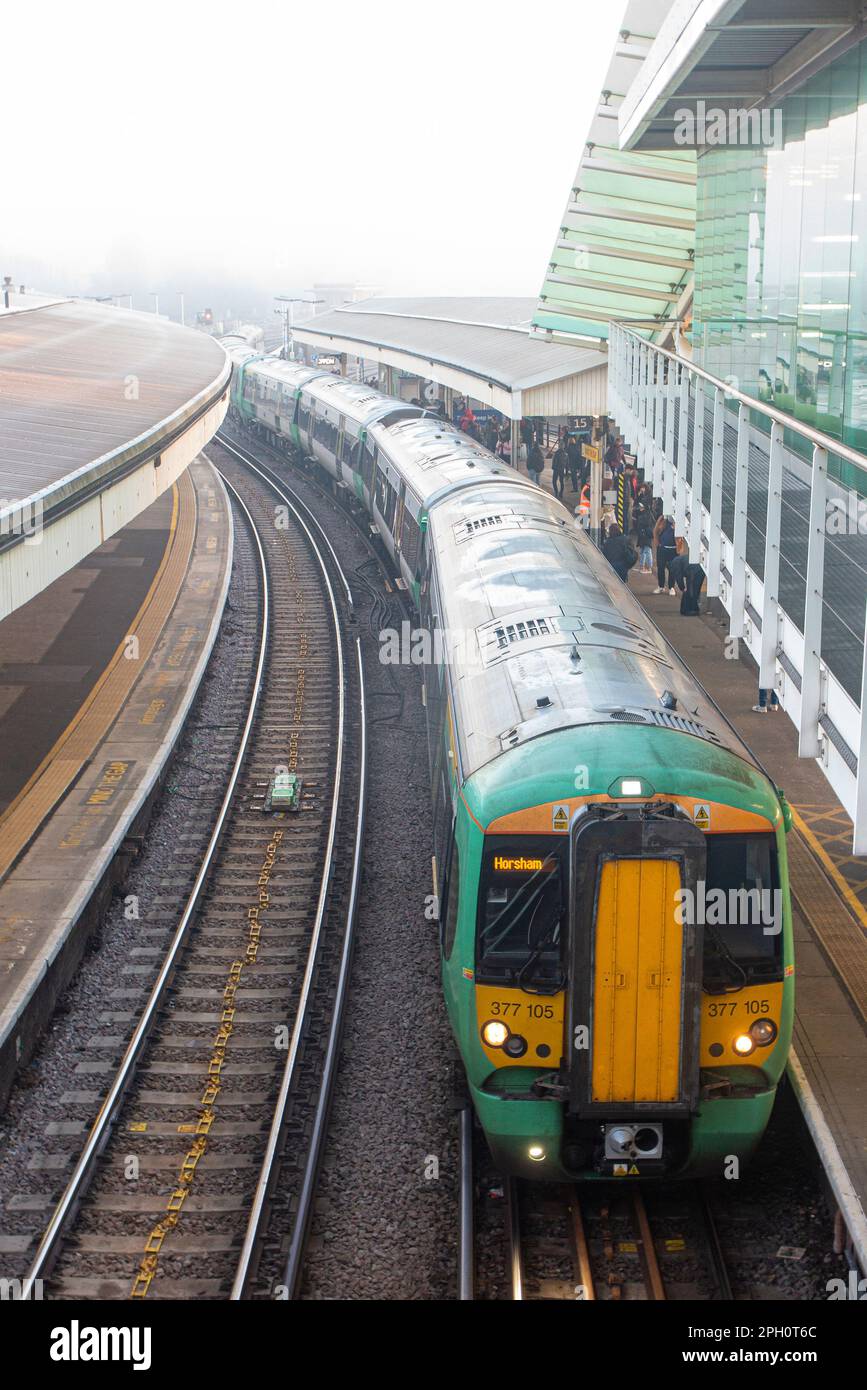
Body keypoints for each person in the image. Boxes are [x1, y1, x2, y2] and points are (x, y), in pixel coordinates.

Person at [654, 516, 677, 593]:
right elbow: (656, 531)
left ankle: (671, 587)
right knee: (660, 568)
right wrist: (657, 543)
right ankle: (661, 586)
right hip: (662, 549)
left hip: (674, 550)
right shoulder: (663, 520)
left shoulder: (679, 523)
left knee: (672, 569)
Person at [635, 506, 654, 573]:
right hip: (643, 536)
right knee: (643, 551)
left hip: (645, 536)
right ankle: (642, 566)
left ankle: (649, 568)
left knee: (647, 551)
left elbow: (646, 524)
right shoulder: (646, 515)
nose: (640, 508)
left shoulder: (647, 516)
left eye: (642, 507)